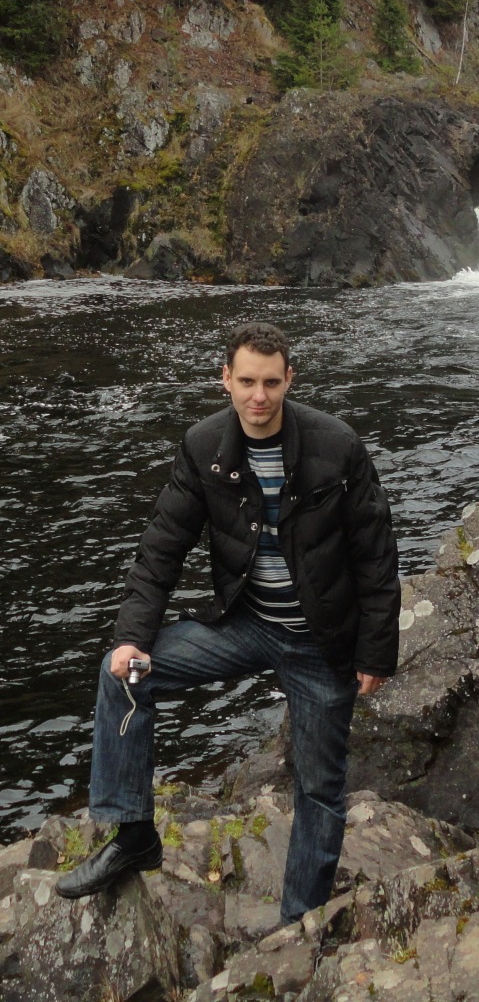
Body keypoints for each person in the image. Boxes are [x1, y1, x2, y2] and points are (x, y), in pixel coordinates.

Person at [55, 321, 401, 925]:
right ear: (226, 379)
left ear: (289, 380)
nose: (258, 396)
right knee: (124, 673)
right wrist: (131, 637)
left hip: (321, 642)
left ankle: (299, 926)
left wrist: (375, 652)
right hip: (245, 623)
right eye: (246, 382)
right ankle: (133, 834)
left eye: (270, 383)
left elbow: (376, 555)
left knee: (319, 788)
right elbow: (161, 548)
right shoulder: (203, 445)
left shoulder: (337, 446)